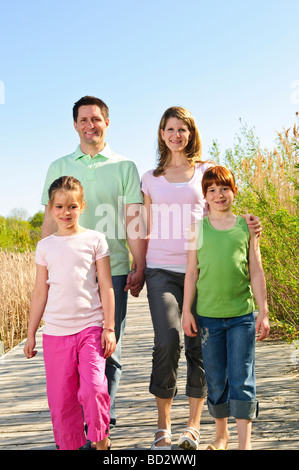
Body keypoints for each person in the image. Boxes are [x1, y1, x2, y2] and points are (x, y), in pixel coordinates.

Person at [141, 107, 261, 450]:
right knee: (167, 341)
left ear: (191, 133)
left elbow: (224, 210)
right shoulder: (150, 177)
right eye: (170, 129)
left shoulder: (205, 170)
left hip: (202, 269)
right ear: (161, 133)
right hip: (161, 268)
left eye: (183, 129)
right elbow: (144, 227)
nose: (176, 134)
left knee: (198, 347)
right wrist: (137, 265)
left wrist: (251, 225)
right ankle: (163, 424)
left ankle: (193, 426)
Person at [41, 96, 145, 431]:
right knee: (71, 356)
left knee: (108, 346)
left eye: (96, 119)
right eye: (84, 120)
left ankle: (102, 421)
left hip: (112, 270)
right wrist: (41, 268)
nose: (90, 125)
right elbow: (48, 219)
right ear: (75, 125)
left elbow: (134, 220)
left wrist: (138, 264)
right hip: (69, 274)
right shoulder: (58, 166)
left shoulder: (124, 166)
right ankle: (82, 419)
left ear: (107, 123)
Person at [24, 176, 116, 450]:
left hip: (90, 328)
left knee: (94, 388)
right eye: (60, 206)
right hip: (55, 334)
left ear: (82, 206)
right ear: (51, 208)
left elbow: (107, 285)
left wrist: (109, 328)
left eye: (72, 206)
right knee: (62, 400)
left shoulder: (95, 240)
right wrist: (30, 334)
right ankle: (70, 445)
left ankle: (101, 442)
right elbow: (40, 292)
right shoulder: (45, 247)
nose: (66, 212)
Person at [182, 165, 270, 450]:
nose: (219, 195)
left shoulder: (246, 226)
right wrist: (186, 311)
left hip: (242, 316)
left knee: (242, 377)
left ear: (234, 191)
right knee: (217, 378)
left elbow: (256, 270)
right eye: (211, 190)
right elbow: (192, 273)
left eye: (224, 188)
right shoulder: (198, 229)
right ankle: (221, 436)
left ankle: (245, 444)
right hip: (209, 318)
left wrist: (263, 310)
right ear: (204, 196)